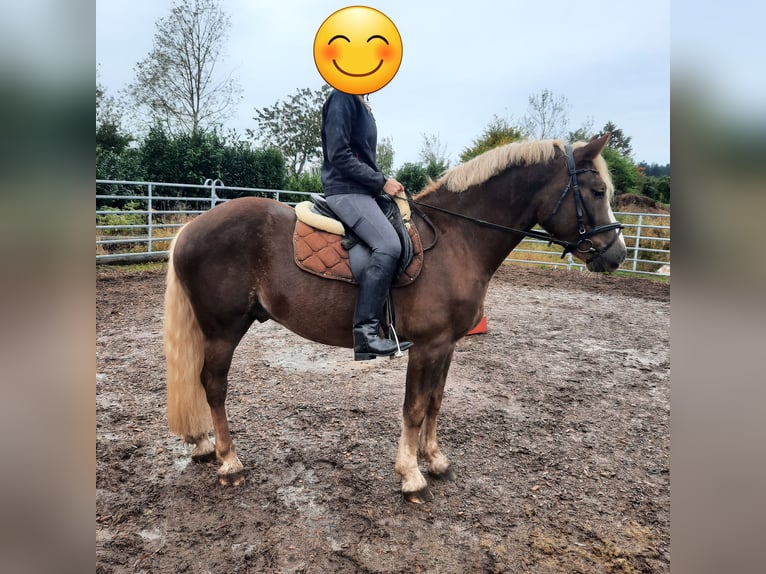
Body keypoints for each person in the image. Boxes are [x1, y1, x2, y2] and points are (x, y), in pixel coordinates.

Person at [320, 89, 414, 361]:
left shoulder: (361, 103)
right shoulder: (343, 97)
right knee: (387, 244)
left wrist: (378, 184)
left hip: (363, 191)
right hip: (346, 191)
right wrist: (380, 181)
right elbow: (339, 154)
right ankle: (367, 334)